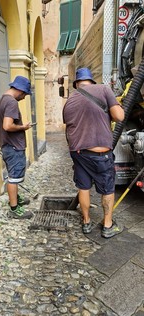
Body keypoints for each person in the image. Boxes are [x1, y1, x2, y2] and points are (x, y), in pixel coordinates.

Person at [63, 67, 125, 238]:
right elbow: (119, 116)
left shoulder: (69, 101)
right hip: (99, 154)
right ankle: (107, 225)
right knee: (107, 189)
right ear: (91, 81)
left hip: (78, 153)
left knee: (83, 187)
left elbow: (69, 127)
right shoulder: (103, 89)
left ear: (77, 84)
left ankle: (87, 222)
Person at [0, 76, 34, 219]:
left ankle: (16, 199)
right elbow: (7, 125)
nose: (24, 97)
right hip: (13, 147)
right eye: (24, 94)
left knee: (13, 176)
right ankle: (14, 209)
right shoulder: (11, 102)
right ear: (19, 90)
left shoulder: (2, 100)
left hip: (7, 145)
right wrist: (23, 127)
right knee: (14, 178)